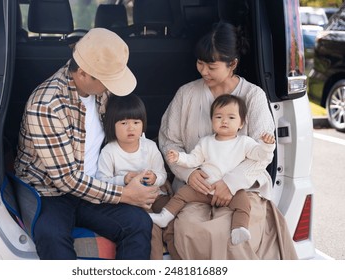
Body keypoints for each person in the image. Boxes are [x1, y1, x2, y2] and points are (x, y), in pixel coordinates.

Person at [14, 28, 159, 260]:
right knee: (51, 235)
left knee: (138, 223)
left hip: (93, 183)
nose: (112, 87)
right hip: (49, 191)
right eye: (108, 80)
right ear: (82, 73)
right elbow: (66, 180)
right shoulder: (46, 105)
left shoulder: (100, 91)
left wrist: (126, 177)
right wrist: (124, 194)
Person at [158, 22, 298, 259]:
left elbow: (264, 152)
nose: (203, 71)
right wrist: (189, 173)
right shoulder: (186, 94)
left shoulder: (253, 96)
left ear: (232, 64)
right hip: (196, 188)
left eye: (211, 66)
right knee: (189, 228)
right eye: (200, 63)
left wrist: (231, 183)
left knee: (232, 234)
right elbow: (169, 141)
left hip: (241, 190)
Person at [150, 95, 275, 246]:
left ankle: (239, 229)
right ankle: (165, 216)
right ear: (212, 121)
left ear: (241, 123)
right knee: (182, 194)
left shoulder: (244, 143)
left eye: (231, 117)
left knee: (244, 204)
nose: (224, 121)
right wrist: (179, 157)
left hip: (231, 192)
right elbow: (193, 160)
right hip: (205, 188)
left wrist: (267, 146)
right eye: (218, 116)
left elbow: (260, 155)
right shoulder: (206, 142)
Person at [96, 94, 171, 259]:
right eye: (124, 123)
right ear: (111, 125)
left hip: (156, 195)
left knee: (174, 217)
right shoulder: (109, 151)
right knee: (151, 229)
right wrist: (123, 180)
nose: (131, 128)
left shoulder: (150, 146)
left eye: (136, 123)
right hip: (132, 201)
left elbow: (162, 174)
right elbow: (101, 181)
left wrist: (155, 178)